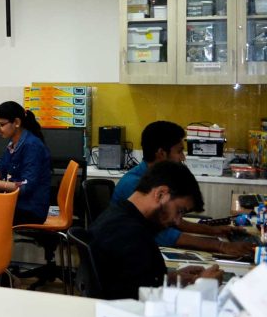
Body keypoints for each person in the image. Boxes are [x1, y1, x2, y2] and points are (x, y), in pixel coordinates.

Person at [110, 121, 253, 257]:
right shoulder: (136, 185)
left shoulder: (154, 179)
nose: (183, 158)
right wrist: (221, 246)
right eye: (179, 151)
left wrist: (213, 231)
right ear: (161, 153)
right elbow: (163, 235)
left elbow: (171, 220)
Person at [90, 161, 223, 300]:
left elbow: (136, 283)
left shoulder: (119, 216)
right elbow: (147, 304)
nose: (178, 221)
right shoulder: (131, 235)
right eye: (179, 211)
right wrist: (203, 286)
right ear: (160, 194)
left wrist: (170, 278)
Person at [0, 101, 52, 225]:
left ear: (17, 122)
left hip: (29, 210)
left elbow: (25, 187)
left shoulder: (32, 146)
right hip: (18, 204)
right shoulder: (13, 143)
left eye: (1, 125)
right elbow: (0, 168)